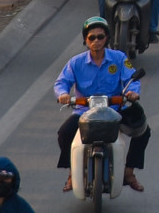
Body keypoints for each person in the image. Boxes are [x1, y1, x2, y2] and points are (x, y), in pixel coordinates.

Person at [54, 18, 149, 192]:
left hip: (115, 108)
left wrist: (132, 92)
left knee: (143, 129)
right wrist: (63, 95)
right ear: (86, 40)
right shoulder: (76, 62)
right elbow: (61, 82)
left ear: (107, 38)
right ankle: (72, 172)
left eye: (100, 36)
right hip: (84, 111)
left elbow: (131, 78)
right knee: (64, 133)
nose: (96, 41)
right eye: (92, 38)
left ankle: (129, 172)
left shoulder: (119, 58)